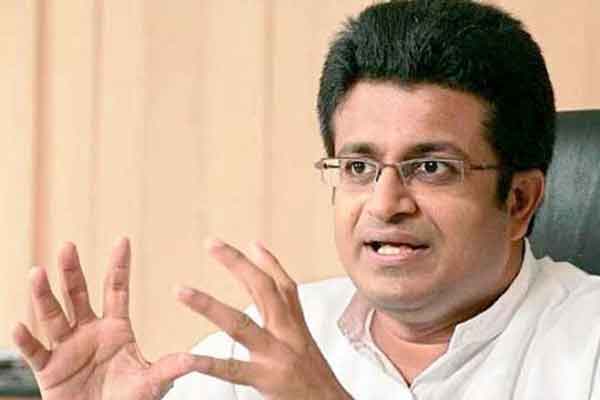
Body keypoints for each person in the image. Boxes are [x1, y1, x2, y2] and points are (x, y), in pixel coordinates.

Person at [12, 0, 600, 399]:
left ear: (519, 200)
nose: (385, 203)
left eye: (430, 167)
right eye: (359, 167)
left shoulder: (588, 346)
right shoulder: (258, 350)